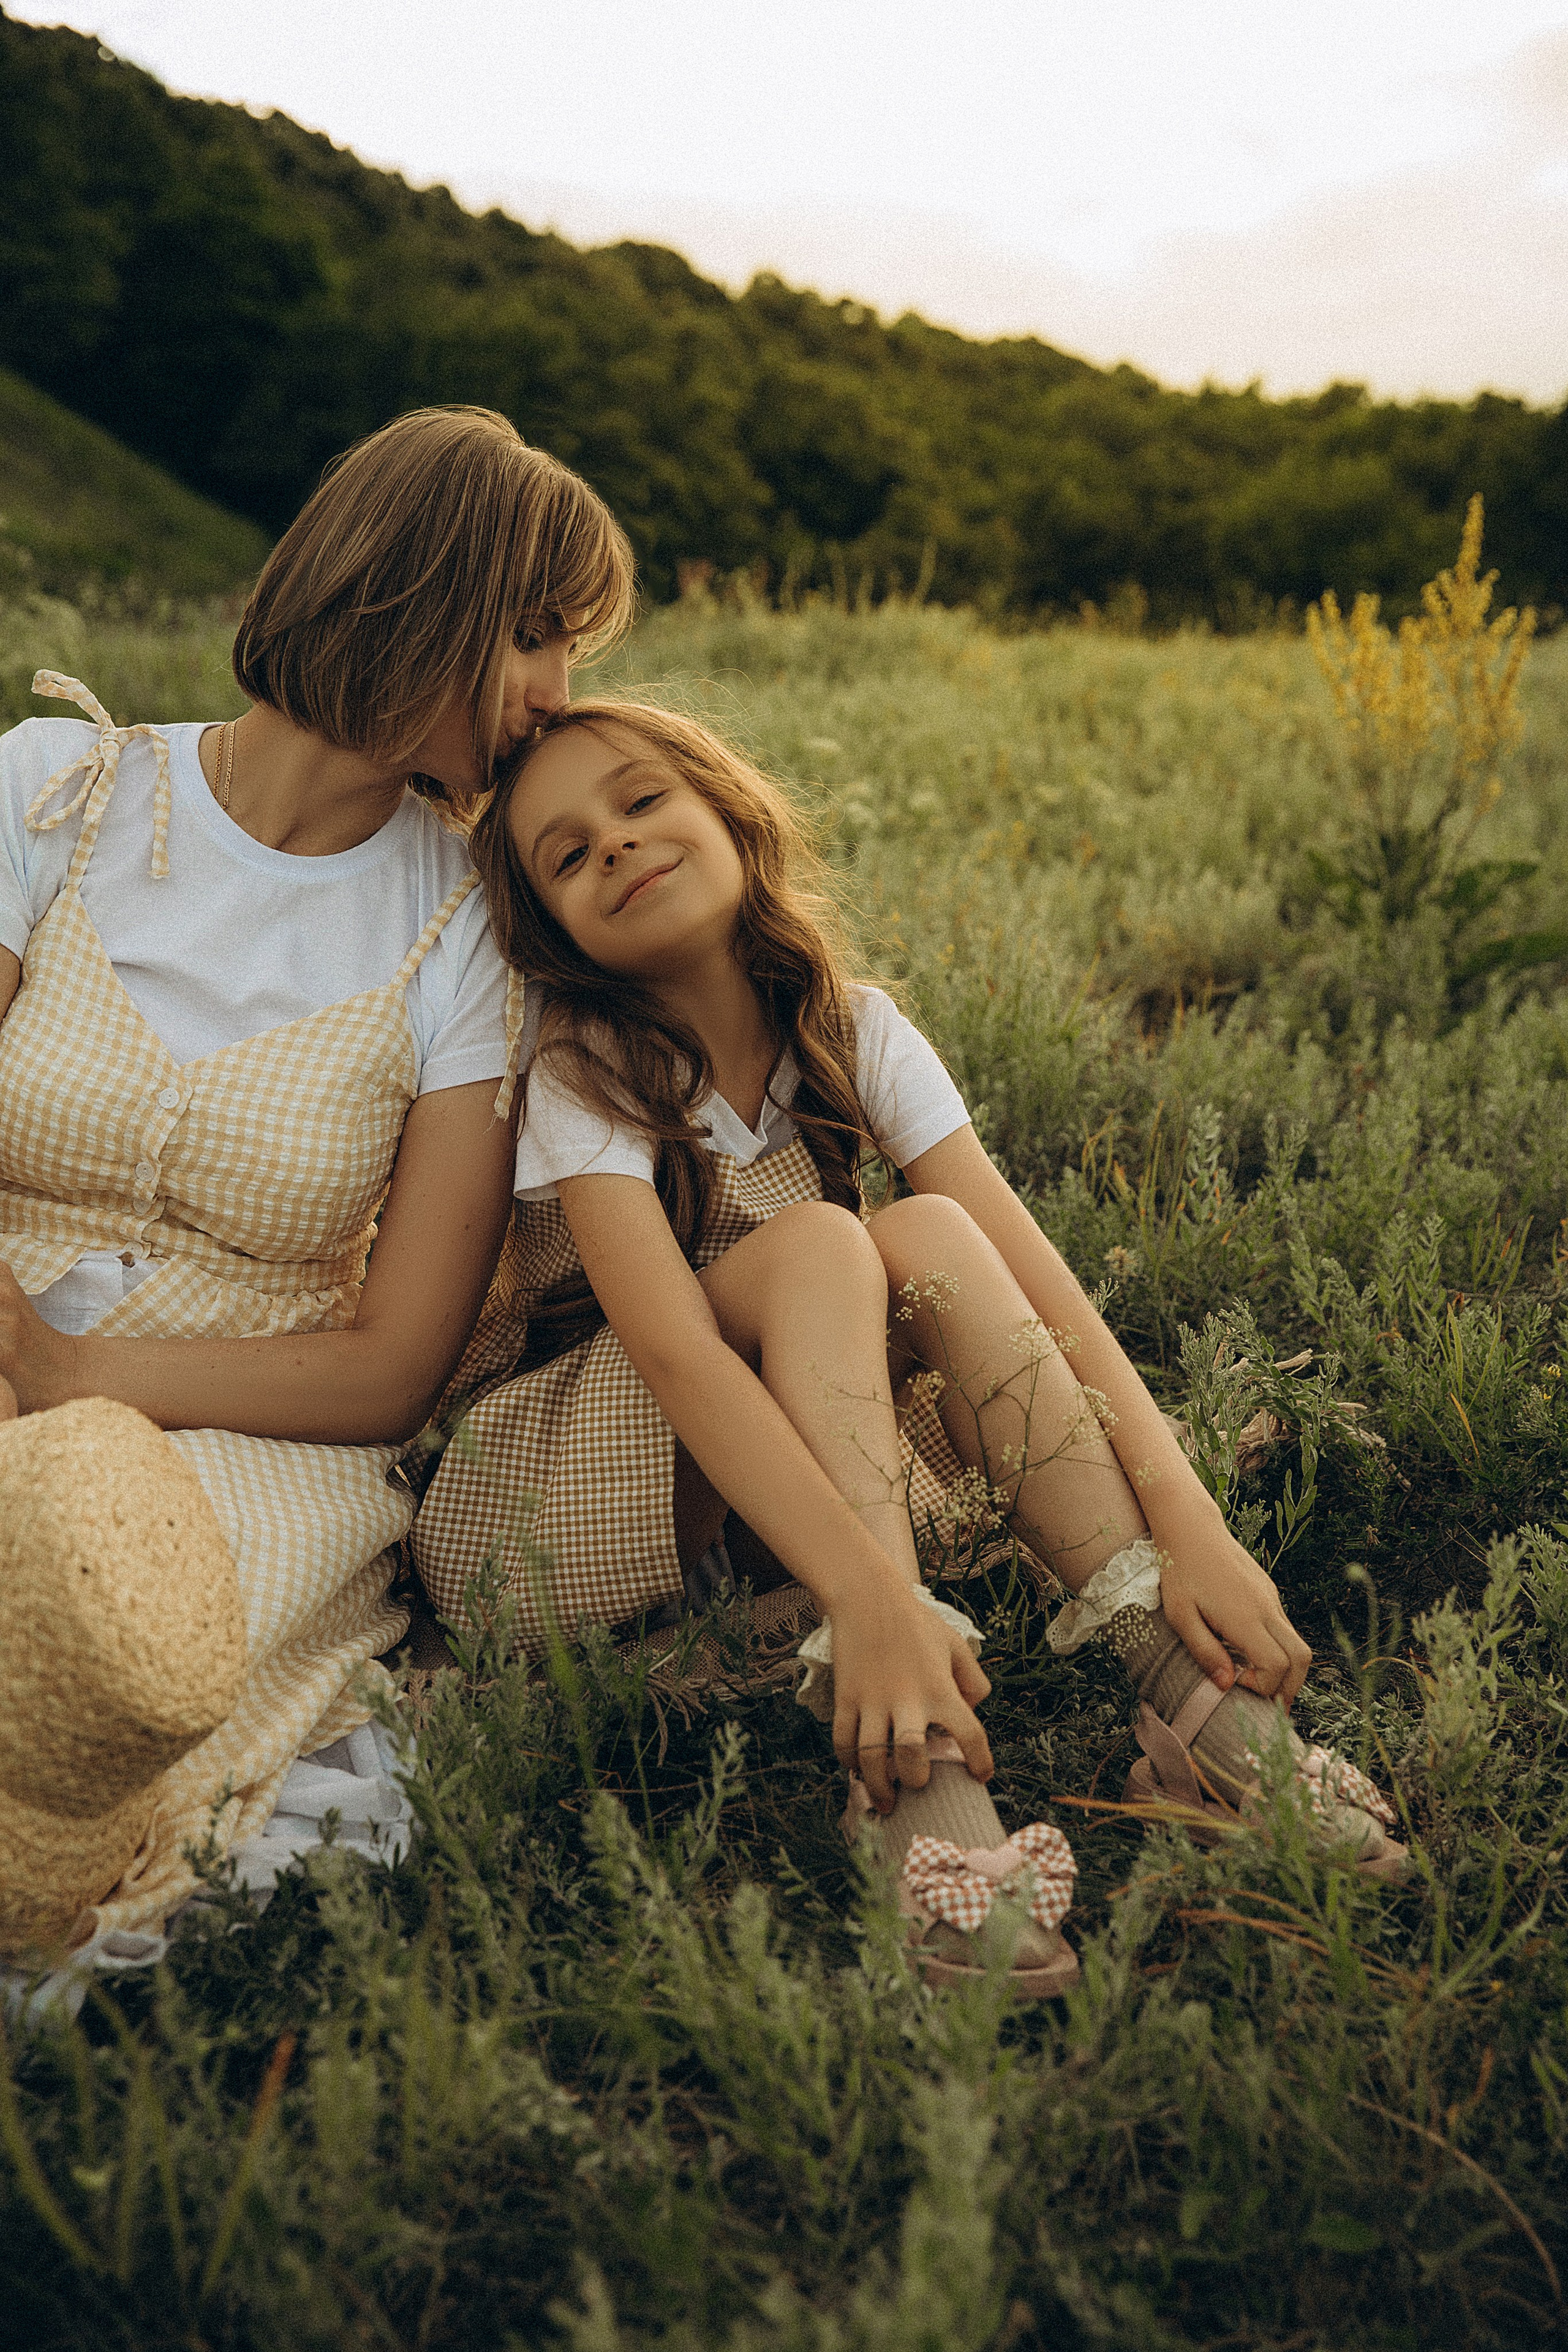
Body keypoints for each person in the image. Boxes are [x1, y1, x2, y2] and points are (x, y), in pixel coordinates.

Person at [412, 699, 1404, 1997]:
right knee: (829, 1242)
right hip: (560, 1504)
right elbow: (676, 1357)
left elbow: (1035, 1288)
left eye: (641, 800)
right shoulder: (585, 1070)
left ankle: (1180, 1688)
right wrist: (875, 1603)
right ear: (549, 929)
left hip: (783, 1489)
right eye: (564, 852)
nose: (612, 844)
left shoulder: (853, 1028)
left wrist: (1189, 1525)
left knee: (927, 1226)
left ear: (728, 810)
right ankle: (903, 1759)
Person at [0, 405, 634, 1949]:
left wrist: (78, 1370)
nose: (560, 700)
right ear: (422, 592)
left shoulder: (473, 928)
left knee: (100, 1655)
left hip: (246, 1416)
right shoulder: (54, 787)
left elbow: (390, 1364)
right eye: (540, 638)